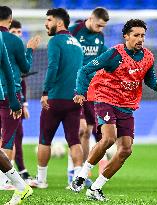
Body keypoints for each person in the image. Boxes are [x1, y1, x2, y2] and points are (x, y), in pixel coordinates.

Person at [70, 19, 157, 201]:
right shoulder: (114, 54)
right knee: (108, 138)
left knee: (125, 150)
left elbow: (149, 79)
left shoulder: (148, 57)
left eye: (143, 36)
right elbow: (84, 70)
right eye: (136, 35)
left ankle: (96, 188)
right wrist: (80, 92)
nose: (140, 39)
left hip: (126, 105)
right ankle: (82, 175)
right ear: (126, 36)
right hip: (105, 98)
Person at [30, 8, 84, 189]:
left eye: (49, 20)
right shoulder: (77, 44)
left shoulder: (55, 41)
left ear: (59, 23)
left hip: (56, 98)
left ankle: (41, 180)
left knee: (45, 139)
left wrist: (45, 92)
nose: (46, 24)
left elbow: (53, 67)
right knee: (74, 140)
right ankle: (77, 181)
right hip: (74, 99)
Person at [67, 7, 110, 186]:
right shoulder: (74, 31)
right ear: (91, 18)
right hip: (75, 86)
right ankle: (72, 171)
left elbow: (101, 59)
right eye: (98, 25)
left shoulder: (100, 37)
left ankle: (83, 173)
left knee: (89, 132)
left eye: (103, 27)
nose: (100, 29)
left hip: (94, 89)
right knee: (81, 130)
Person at [0, 6, 40, 189]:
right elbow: (24, 68)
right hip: (10, 94)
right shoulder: (14, 41)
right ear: (10, 20)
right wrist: (30, 50)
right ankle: (3, 181)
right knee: (8, 138)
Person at [0, 30, 33, 205]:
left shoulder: (1, 39)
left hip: (3, 94)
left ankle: (19, 185)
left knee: (6, 141)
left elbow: (7, 68)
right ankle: (21, 185)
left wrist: (14, 100)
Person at [9, 19, 33, 182]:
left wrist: (23, 103)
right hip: (6, 97)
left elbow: (21, 80)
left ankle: (19, 171)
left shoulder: (17, 51)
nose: (17, 35)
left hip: (15, 98)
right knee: (9, 136)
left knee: (16, 134)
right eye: (14, 32)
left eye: (19, 32)